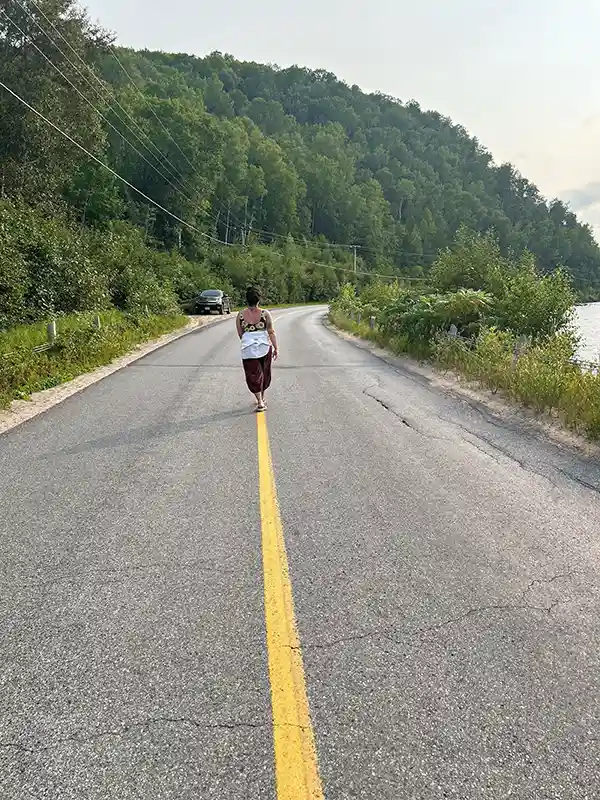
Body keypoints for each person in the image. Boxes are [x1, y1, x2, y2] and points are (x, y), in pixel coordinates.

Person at [236, 287, 278, 411]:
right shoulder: (265, 314)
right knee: (264, 373)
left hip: (248, 349)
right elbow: (271, 332)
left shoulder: (240, 315)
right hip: (264, 346)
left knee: (252, 374)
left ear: (246, 300)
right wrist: (276, 348)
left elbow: (240, 334)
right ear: (258, 300)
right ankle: (262, 398)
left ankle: (259, 401)